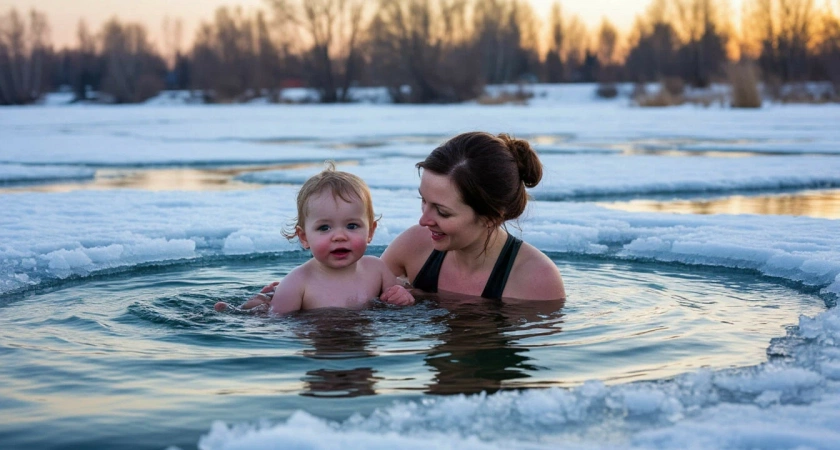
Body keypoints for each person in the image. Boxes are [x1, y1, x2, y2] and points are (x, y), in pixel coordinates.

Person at [379, 131, 566, 303]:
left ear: (491, 217)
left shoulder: (537, 280)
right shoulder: (412, 246)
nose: (423, 221)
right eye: (423, 200)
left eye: (443, 212)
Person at [214, 164, 414, 314]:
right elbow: (276, 327)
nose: (339, 236)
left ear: (370, 231)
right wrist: (254, 315)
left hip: (363, 349)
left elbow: (400, 300)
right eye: (324, 228)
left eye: (352, 226)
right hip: (320, 347)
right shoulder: (297, 284)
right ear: (304, 237)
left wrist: (402, 298)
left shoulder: (377, 270)